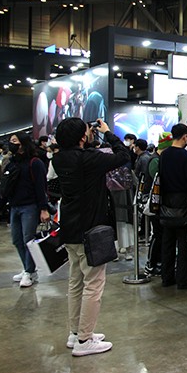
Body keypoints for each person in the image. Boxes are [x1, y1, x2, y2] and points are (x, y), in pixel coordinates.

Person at [51, 117, 129, 356]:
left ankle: (76, 333)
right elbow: (123, 155)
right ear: (82, 137)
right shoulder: (89, 158)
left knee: (75, 282)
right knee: (93, 284)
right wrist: (108, 132)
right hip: (91, 230)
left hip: (70, 228)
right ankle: (85, 340)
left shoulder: (58, 158)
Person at [0, 133, 49, 288]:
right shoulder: (11, 164)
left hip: (30, 207)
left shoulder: (35, 163)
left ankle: (29, 271)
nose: (11, 144)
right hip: (14, 206)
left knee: (28, 240)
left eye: (14, 141)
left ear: (23, 143)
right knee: (17, 240)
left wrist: (43, 208)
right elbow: (5, 190)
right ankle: (28, 268)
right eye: (10, 141)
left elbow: (41, 188)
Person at [158, 124, 187, 289]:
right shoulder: (186, 156)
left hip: (166, 202)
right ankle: (184, 279)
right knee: (184, 242)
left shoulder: (164, 155)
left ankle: (167, 277)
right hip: (183, 201)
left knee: (167, 242)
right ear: (185, 137)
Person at [144, 133, 173, 277]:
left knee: (161, 234)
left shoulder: (158, 159)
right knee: (157, 234)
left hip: (160, 203)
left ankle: (159, 263)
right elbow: (158, 180)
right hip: (155, 203)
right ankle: (151, 264)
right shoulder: (155, 161)